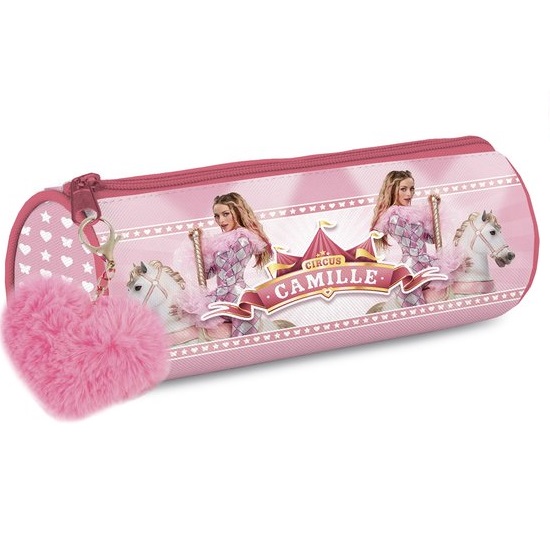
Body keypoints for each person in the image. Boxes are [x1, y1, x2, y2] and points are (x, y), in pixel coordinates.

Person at [173, 192, 272, 337]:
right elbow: (208, 274)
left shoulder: (242, 240)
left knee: (240, 343)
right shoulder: (221, 241)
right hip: (224, 297)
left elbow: (230, 280)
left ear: (237, 212)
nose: (221, 220)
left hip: (241, 301)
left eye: (226, 214)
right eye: (217, 216)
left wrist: (206, 301)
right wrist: (198, 245)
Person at [370, 170, 463, 307]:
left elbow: (430, 239)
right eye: (403, 189)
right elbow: (414, 252)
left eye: (412, 189)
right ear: (392, 190)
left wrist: (434, 211)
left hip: (424, 266)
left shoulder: (413, 214)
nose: (409, 194)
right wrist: (440, 263)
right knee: (420, 310)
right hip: (410, 273)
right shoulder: (394, 218)